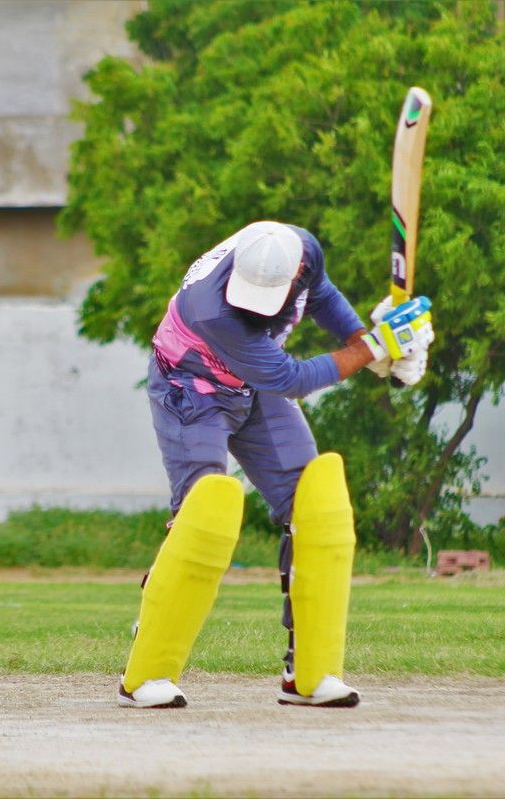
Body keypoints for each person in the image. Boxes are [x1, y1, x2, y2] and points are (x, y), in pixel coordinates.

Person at [118, 220, 434, 709]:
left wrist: (371, 344)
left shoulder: (301, 250)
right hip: (191, 389)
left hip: (253, 386)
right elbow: (291, 378)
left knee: (314, 506)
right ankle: (147, 670)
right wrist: (375, 346)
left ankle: (309, 673)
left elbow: (322, 296)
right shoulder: (211, 308)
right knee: (204, 514)